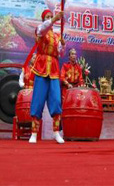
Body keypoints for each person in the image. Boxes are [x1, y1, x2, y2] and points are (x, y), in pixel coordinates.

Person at [29, 9, 65, 144]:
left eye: (51, 16)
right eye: (48, 17)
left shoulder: (56, 36)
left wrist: (62, 46)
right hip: (41, 67)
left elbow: (60, 53)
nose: (50, 18)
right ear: (43, 19)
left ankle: (56, 132)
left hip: (54, 69)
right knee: (38, 100)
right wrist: (55, 18)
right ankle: (34, 133)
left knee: (56, 100)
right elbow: (44, 29)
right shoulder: (40, 30)